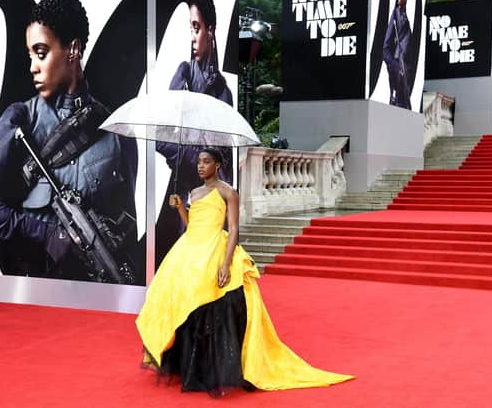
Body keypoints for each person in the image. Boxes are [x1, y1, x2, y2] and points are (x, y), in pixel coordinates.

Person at [136, 148, 353, 396]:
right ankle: (190, 365)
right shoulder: (194, 193)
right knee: (183, 303)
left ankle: (213, 369)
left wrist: (226, 263)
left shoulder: (228, 192)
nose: (200, 166)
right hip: (188, 250)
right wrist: (179, 209)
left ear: (217, 165)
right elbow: (192, 225)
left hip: (214, 249)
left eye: (206, 162)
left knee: (210, 304)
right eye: (199, 162)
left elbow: (234, 228)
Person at [0, 0, 141, 283]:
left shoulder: (118, 132)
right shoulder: (20, 119)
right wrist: (46, 234)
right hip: (35, 287)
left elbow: (127, 225)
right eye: (30, 55)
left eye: (41, 52)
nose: (32, 67)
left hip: (95, 293)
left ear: (73, 49)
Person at [156, 0, 234, 268]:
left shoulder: (223, 91)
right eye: (190, 28)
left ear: (210, 30)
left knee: (213, 270)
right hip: (186, 196)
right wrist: (199, 158)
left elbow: (225, 157)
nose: (192, 36)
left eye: (197, 28)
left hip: (215, 203)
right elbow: (161, 138)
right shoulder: (184, 75)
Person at [383, 0, 414, 110]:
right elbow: (385, 47)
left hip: (412, 72)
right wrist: (395, 66)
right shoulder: (396, 13)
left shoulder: (414, 13)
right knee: (398, 106)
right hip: (399, 69)